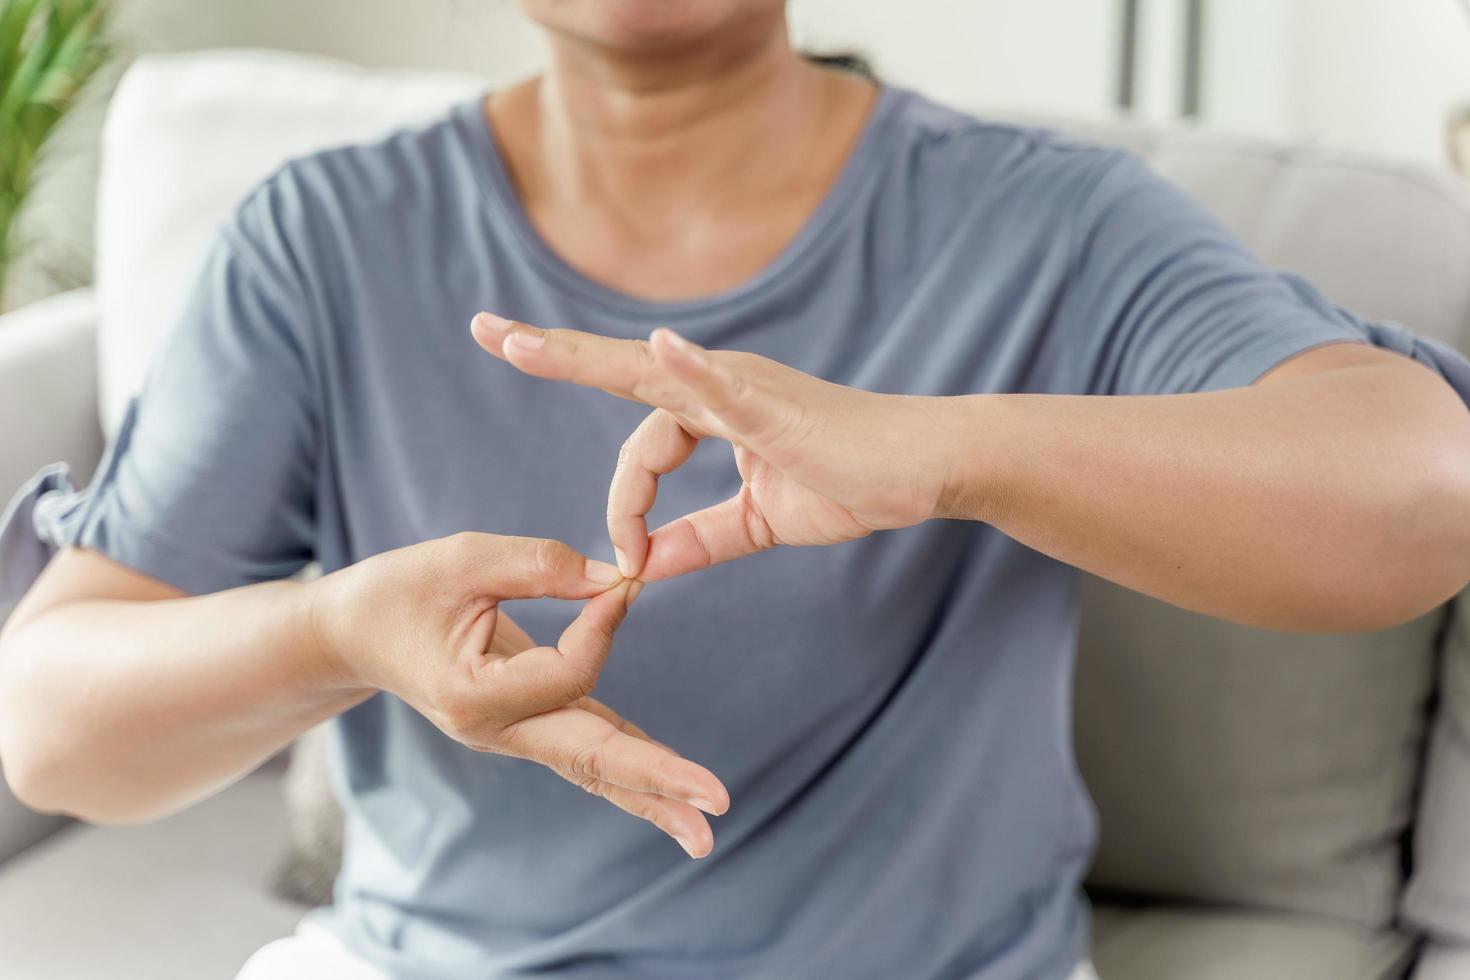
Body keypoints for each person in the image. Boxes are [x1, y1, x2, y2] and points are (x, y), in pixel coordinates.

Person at [2, 2, 1469, 978]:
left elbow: (1420, 494)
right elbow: (53, 731)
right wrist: (326, 636)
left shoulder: (1046, 220)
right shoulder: (323, 236)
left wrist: (952, 452)